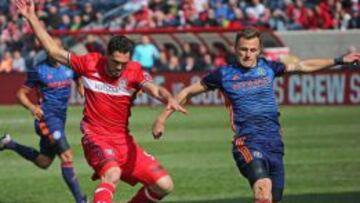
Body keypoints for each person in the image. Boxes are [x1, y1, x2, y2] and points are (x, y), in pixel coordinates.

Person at [152, 27, 360, 203]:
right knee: (263, 187)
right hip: (247, 142)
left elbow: (303, 66)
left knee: (272, 197)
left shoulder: (268, 68)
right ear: (235, 49)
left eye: (252, 50)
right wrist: (162, 119)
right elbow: (187, 91)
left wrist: (339, 59)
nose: (247, 54)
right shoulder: (223, 74)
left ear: (259, 50)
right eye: (243, 49)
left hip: (274, 143)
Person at [14, 0, 187, 203]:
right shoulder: (89, 63)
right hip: (95, 137)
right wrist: (32, 18)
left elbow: (155, 89)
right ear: (106, 55)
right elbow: (54, 51)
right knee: (112, 174)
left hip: (124, 142)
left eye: (124, 63)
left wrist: (168, 98)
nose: (119, 68)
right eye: (115, 62)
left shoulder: (134, 71)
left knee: (164, 185)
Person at [0, 49, 87, 203]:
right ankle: (81, 200)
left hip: (60, 120)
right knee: (67, 155)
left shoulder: (69, 67)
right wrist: (32, 108)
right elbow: (20, 94)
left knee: (44, 161)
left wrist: (80, 87)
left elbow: (78, 76)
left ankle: (8, 143)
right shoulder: (39, 70)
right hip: (46, 120)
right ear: (47, 52)